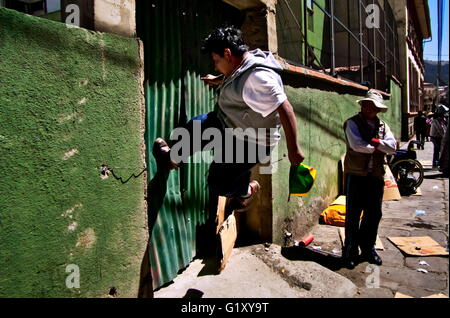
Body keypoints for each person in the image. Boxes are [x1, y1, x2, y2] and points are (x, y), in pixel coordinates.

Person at [153, 26, 305, 211]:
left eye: (216, 60)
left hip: (251, 142)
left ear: (227, 53)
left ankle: (246, 191)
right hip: (231, 124)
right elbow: (238, 73)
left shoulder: (259, 78)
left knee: (218, 184)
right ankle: (171, 160)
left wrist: (294, 149)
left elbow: (285, 107)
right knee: (195, 128)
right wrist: (219, 79)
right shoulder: (246, 61)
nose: (216, 65)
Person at [342, 90, 397, 269]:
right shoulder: (352, 123)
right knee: (353, 214)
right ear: (362, 105)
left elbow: (393, 147)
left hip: (376, 176)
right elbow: (357, 146)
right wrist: (380, 146)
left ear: (378, 109)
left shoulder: (383, 126)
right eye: (366, 104)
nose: (368, 108)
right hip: (356, 175)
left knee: (374, 214)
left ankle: (368, 249)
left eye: (372, 106)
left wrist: (375, 143)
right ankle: (350, 250)